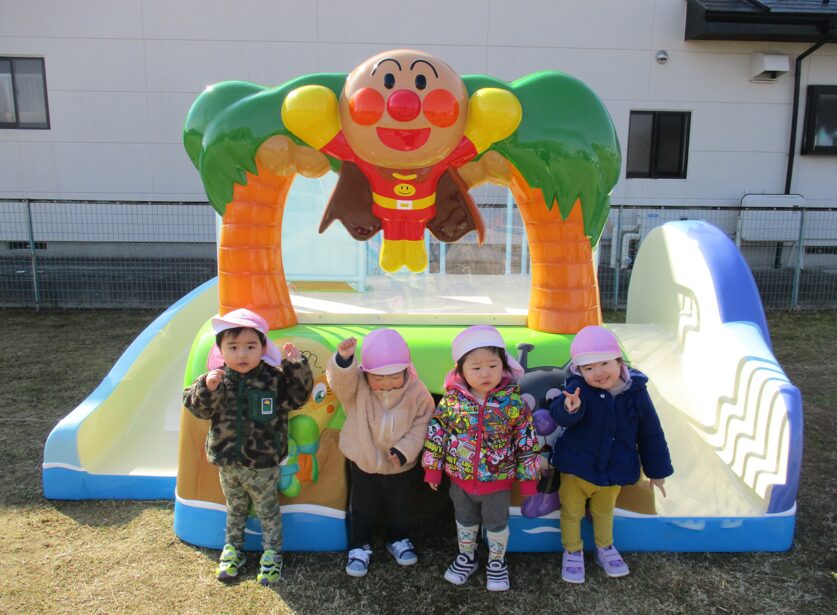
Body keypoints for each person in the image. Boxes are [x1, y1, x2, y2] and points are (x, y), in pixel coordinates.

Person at [182, 308, 313, 585]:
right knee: (235, 508)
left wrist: (296, 365)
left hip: (263, 464)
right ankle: (233, 550)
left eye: (250, 346)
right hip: (228, 462)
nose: (242, 354)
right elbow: (196, 408)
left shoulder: (273, 379)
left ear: (263, 347)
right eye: (233, 347)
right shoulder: (216, 379)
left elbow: (298, 398)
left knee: (267, 510)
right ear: (220, 350)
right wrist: (207, 388)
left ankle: (272, 554)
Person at [547, 325, 673, 584]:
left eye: (604, 363)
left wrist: (657, 471)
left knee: (604, 513)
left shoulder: (636, 392)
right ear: (579, 371)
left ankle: (604, 547)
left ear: (618, 360)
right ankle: (572, 551)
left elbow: (651, 433)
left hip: (613, 471)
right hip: (577, 468)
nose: (598, 373)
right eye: (588, 368)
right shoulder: (577, 389)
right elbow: (560, 414)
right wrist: (570, 408)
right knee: (571, 512)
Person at [422, 325, 540, 592]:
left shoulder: (513, 403)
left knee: (497, 522)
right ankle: (467, 556)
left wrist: (529, 481)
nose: (485, 373)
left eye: (492, 365)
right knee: (464, 519)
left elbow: (527, 441)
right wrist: (433, 469)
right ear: (461, 370)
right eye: (476, 368)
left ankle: (497, 562)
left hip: (498, 483)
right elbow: (436, 433)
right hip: (460, 480)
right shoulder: (452, 401)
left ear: (504, 366)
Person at [327, 328, 435, 577]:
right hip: (364, 460)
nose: (386, 383)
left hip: (401, 464)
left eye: (394, 376)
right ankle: (359, 546)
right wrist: (344, 361)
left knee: (401, 505)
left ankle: (398, 539)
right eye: (378, 377)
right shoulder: (359, 388)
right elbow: (340, 383)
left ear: (407, 370)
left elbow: (423, 423)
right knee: (362, 506)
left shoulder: (417, 392)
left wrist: (404, 450)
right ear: (366, 373)